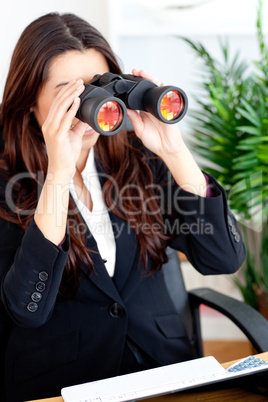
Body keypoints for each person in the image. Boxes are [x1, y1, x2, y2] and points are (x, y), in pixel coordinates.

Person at [0, 12, 245, 402]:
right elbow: (28, 309)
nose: (88, 106)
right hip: (65, 384)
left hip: (163, 372)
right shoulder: (7, 184)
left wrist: (174, 151)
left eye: (97, 88)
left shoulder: (140, 161)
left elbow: (223, 258)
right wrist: (59, 173)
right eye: (70, 93)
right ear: (31, 103)